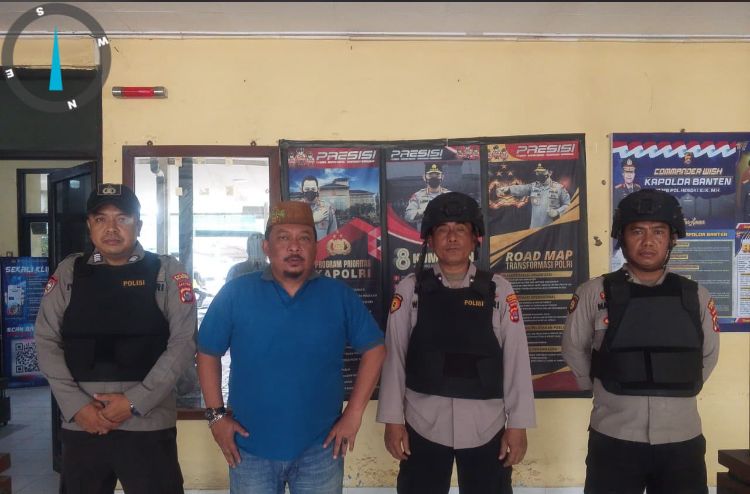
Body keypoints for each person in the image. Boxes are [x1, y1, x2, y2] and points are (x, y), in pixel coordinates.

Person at [196, 201, 385, 494]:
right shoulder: (236, 293)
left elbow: (375, 349)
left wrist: (354, 413)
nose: (294, 247)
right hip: (249, 448)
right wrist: (216, 417)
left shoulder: (338, 295)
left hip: (321, 448)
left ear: (316, 247)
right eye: (283, 237)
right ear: (266, 247)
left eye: (304, 238)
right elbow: (207, 352)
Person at [34, 183, 197, 494]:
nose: (111, 228)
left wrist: (135, 401)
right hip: (83, 422)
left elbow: (184, 342)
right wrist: (77, 406)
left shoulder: (165, 271)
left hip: (148, 423)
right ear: (89, 225)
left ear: (139, 225)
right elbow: (45, 339)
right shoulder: (69, 271)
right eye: (101, 219)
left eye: (122, 218)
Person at [562, 188, 720, 494]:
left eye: (658, 232)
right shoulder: (593, 292)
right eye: (637, 231)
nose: (648, 242)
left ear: (672, 238)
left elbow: (708, 356)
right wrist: (600, 388)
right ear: (622, 238)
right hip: (614, 436)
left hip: (682, 439)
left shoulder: (695, 296)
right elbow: (573, 348)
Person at [377, 192, 536, 494]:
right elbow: (394, 357)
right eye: (443, 230)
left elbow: (516, 360)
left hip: (486, 425)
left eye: (460, 229)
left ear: (475, 238)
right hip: (423, 422)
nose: (452, 238)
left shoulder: (499, 290)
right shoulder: (410, 290)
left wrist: (518, 424)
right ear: (430, 239)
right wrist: (392, 421)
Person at [500, 163, 570, 228]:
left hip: (551, 228)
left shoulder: (559, 188)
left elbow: (568, 204)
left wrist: (558, 212)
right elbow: (521, 188)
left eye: (542, 172)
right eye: (537, 172)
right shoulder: (533, 187)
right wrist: (508, 189)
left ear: (550, 172)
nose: (539, 174)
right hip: (534, 228)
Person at [404, 162, 451, 231]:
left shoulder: (450, 195)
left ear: (442, 177)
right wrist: (425, 212)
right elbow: (408, 215)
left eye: (437, 175)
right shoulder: (418, 196)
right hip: (425, 235)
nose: (434, 177)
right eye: (430, 175)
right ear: (424, 177)